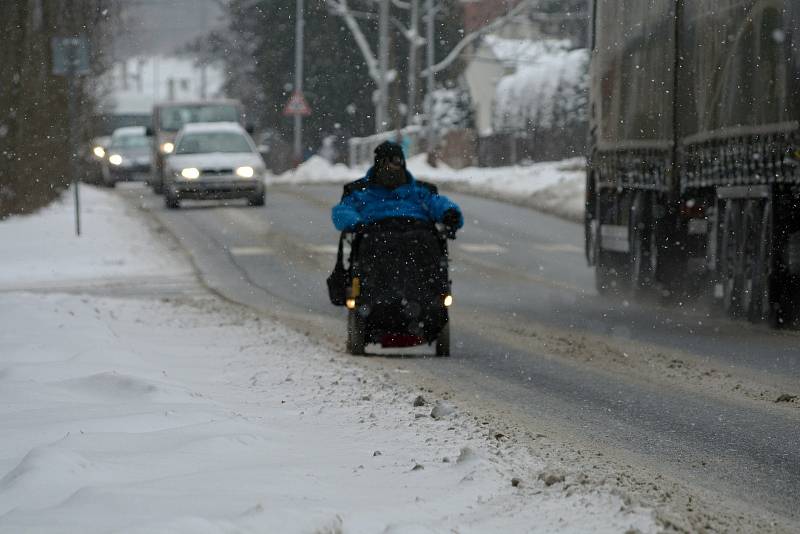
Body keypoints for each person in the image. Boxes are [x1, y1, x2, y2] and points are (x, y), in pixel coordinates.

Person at [331, 141, 463, 237]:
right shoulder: (360, 191)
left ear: (402, 163)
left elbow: (438, 203)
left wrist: (450, 213)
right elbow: (343, 211)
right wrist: (356, 224)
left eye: (396, 161)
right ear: (378, 164)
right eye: (386, 162)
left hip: (417, 239)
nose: (391, 167)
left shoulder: (420, 191)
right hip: (375, 238)